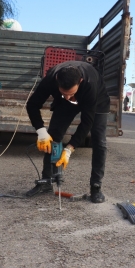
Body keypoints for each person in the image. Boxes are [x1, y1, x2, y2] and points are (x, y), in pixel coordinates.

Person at [25, 60, 110, 203]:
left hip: (97, 101)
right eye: (64, 93)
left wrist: (69, 149)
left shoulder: (90, 84)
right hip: (65, 104)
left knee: (99, 141)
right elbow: (32, 105)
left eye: (71, 93)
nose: (69, 97)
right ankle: (47, 181)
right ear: (57, 81)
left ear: (80, 81)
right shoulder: (51, 78)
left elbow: (86, 122)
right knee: (54, 136)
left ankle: (96, 187)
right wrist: (41, 132)